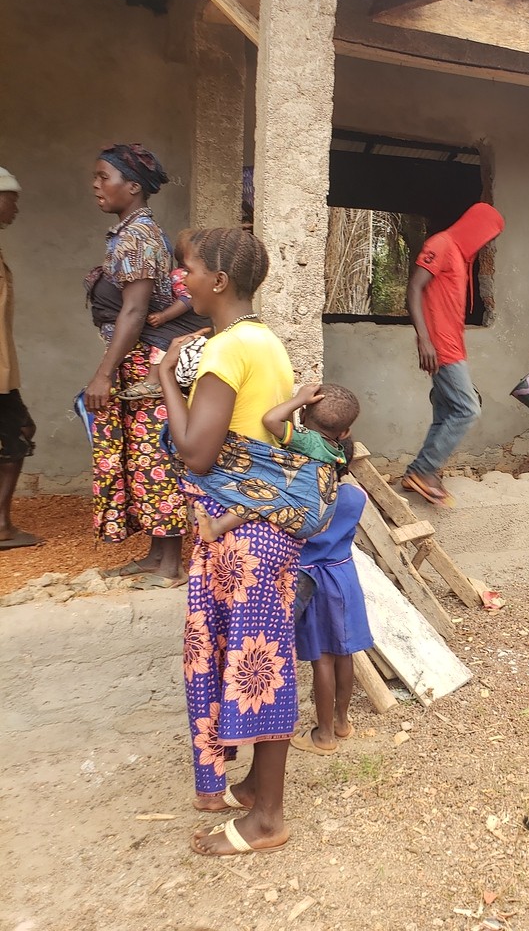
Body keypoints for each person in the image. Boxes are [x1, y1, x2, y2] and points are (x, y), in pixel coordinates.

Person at [156, 226, 299, 856]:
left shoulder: (224, 350)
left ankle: (268, 819)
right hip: (262, 528)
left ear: (217, 281)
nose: (181, 279)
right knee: (256, 660)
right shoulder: (264, 341)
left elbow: (196, 452)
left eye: (188, 268)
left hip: (242, 537)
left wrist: (166, 376)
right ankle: (255, 788)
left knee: (254, 666)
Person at [83, 144, 203, 587]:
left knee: (156, 457)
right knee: (143, 459)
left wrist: (103, 374)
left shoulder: (138, 236)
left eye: (104, 176)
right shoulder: (129, 233)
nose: (96, 184)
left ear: (132, 187)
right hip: (138, 361)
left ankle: (170, 565)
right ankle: (156, 555)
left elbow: (134, 312)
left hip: (150, 364)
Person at [402, 203, 505, 507]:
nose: (486, 243)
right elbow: (414, 288)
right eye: (488, 236)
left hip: (452, 345)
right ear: (476, 227)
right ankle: (424, 470)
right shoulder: (442, 244)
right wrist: (424, 339)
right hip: (441, 347)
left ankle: (416, 473)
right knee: (467, 409)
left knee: (446, 411)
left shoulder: (461, 256)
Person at [190, 382, 359, 543]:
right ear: (345, 433)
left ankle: (217, 527)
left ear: (302, 414)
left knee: (261, 496)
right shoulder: (335, 451)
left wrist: (298, 399)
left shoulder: (307, 440)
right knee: (268, 497)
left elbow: (270, 420)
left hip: (305, 513)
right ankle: (216, 527)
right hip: (320, 516)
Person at [290, 481, 374, 756]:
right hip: (344, 575)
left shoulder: (303, 494)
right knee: (344, 652)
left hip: (314, 581)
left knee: (323, 658)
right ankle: (341, 722)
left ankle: (324, 735)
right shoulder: (355, 495)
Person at [0, 167, 39, 550]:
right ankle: (1, 525)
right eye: (11, 200)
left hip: (4, 369)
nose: (16, 208)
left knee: (21, 430)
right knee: (17, 432)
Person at [119, 229, 198, 401]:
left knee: (161, 345)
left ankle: (153, 380)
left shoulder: (181, 276)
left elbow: (187, 299)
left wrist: (164, 316)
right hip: (186, 325)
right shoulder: (181, 275)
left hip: (185, 325)